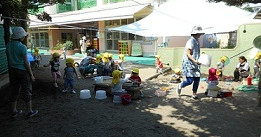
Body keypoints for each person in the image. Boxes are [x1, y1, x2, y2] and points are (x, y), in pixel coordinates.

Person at [6, 27, 38, 118]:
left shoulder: (8, 45)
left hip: (12, 71)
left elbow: (9, 59)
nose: (24, 37)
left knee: (14, 90)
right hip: (22, 71)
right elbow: (26, 62)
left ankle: (14, 111)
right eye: (23, 36)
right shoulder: (22, 47)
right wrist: (31, 75)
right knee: (26, 90)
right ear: (20, 37)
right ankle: (29, 111)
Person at [176, 26, 204, 99]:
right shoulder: (190, 41)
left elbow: (196, 53)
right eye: (199, 33)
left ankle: (194, 93)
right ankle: (180, 85)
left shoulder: (197, 41)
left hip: (195, 63)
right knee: (190, 81)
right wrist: (195, 61)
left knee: (197, 78)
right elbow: (188, 53)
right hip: (189, 63)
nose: (200, 35)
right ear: (196, 33)